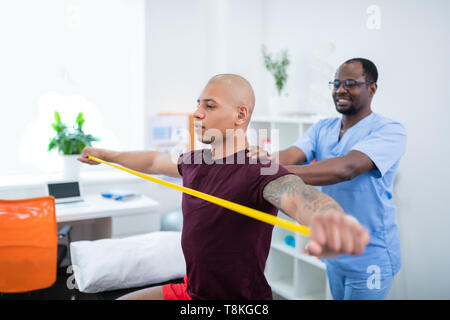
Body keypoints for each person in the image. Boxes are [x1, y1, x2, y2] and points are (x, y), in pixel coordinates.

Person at [78, 74, 369, 300]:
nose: (197, 113)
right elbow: (154, 161)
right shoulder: (195, 161)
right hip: (192, 291)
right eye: (198, 104)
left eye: (209, 105)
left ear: (240, 115)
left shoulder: (258, 168)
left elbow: (296, 194)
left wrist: (329, 219)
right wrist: (104, 155)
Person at [249, 58, 407, 300]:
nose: (340, 90)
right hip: (334, 251)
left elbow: (346, 168)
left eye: (350, 83)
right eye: (336, 83)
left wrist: (272, 171)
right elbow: (293, 154)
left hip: (370, 256)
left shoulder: (389, 130)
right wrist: (262, 161)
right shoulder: (323, 128)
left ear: (372, 88)